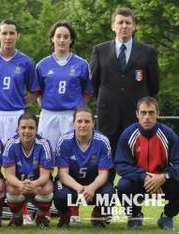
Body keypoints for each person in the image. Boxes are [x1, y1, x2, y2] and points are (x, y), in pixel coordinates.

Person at [90, 7, 159, 155]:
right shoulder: (99, 50)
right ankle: (108, 179)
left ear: (134, 26)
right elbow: (93, 83)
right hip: (108, 115)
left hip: (135, 115)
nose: (124, 26)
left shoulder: (147, 52)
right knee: (107, 158)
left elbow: (154, 86)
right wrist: (107, 100)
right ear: (113, 26)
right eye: (120, 22)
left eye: (128, 23)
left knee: (137, 157)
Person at [115, 97, 179, 230]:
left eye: (151, 113)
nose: (147, 117)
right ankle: (135, 216)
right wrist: (144, 177)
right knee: (122, 186)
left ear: (158, 114)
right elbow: (120, 164)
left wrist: (163, 177)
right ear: (137, 114)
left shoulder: (169, 135)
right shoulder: (128, 134)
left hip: (163, 182)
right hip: (139, 181)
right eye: (143, 113)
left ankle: (167, 217)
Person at [0, 19, 40, 143]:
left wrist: (20, 103)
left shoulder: (26, 61)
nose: (8, 37)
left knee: (13, 155)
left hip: (16, 114)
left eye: (12, 33)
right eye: (4, 33)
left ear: (18, 36)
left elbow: (35, 91)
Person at [53, 106, 114, 228]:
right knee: (61, 196)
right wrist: (80, 188)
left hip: (94, 184)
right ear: (73, 123)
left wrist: (91, 187)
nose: (83, 125)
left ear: (93, 123)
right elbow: (63, 174)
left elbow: (104, 174)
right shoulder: (64, 141)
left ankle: (98, 214)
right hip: (71, 185)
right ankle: (65, 214)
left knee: (109, 193)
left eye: (87, 121)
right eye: (79, 121)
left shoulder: (102, 141)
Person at [36, 21, 92, 149]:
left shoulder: (81, 64)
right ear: (52, 38)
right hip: (49, 114)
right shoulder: (42, 65)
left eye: (66, 37)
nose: (62, 40)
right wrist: (46, 105)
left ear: (71, 40)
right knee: (47, 153)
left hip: (71, 115)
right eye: (58, 36)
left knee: (70, 154)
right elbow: (37, 91)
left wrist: (78, 108)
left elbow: (88, 92)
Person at [2, 112, 54, 228]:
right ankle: (17, 217)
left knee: (47, 188)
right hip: (18, 184)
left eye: (31, 128)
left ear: (37, 130)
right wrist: (20, 185)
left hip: (38, 184)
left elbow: (45, 176)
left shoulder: (44, 144)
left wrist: (33, 184)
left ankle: (41, 216)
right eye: (23, 127)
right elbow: (9, 175)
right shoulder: (11, 144)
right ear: (17, 129)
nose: (27, 131)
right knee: (11, 188)